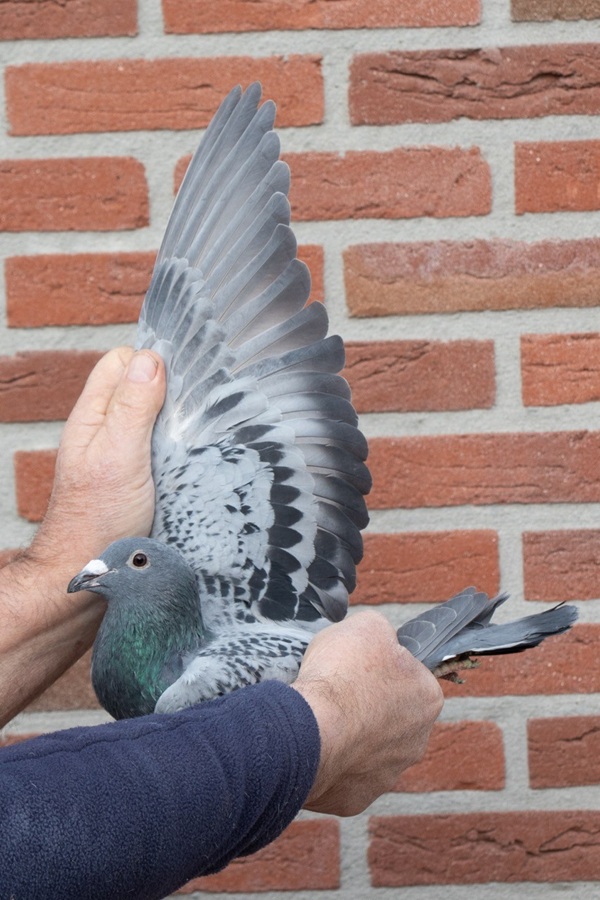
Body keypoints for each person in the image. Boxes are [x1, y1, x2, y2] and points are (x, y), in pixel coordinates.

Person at [0, 348, 443, 898]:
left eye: (133, 561)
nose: (94, 569)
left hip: (321, 653)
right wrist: (325, 729)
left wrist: (59, 554)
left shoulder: (196, 666)